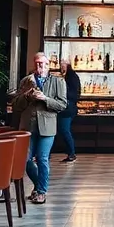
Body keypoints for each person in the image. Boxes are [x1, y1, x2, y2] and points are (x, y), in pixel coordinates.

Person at [14, 52, 68, 205]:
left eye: (43, 63)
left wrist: (45, 99)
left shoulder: (58, 82)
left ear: (48, 65)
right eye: (38, 63)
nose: (41, 66)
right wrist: (27, 97)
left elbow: (62, 105)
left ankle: (41, 192)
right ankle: (39, 186)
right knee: (25, 159)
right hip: (28, 127)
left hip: (47, 126)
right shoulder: (26, 81)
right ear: (34, 64)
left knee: (43, 158)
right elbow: (16, 105)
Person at [58, 61, 81, 163]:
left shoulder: (71, 77)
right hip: (67, 108)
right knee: (63, 130)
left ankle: (71, 153)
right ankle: (70, 153)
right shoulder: (69, 76)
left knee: (64, 130)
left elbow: (73, 93)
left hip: (67, 108)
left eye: (63, 65)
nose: (61, 67)